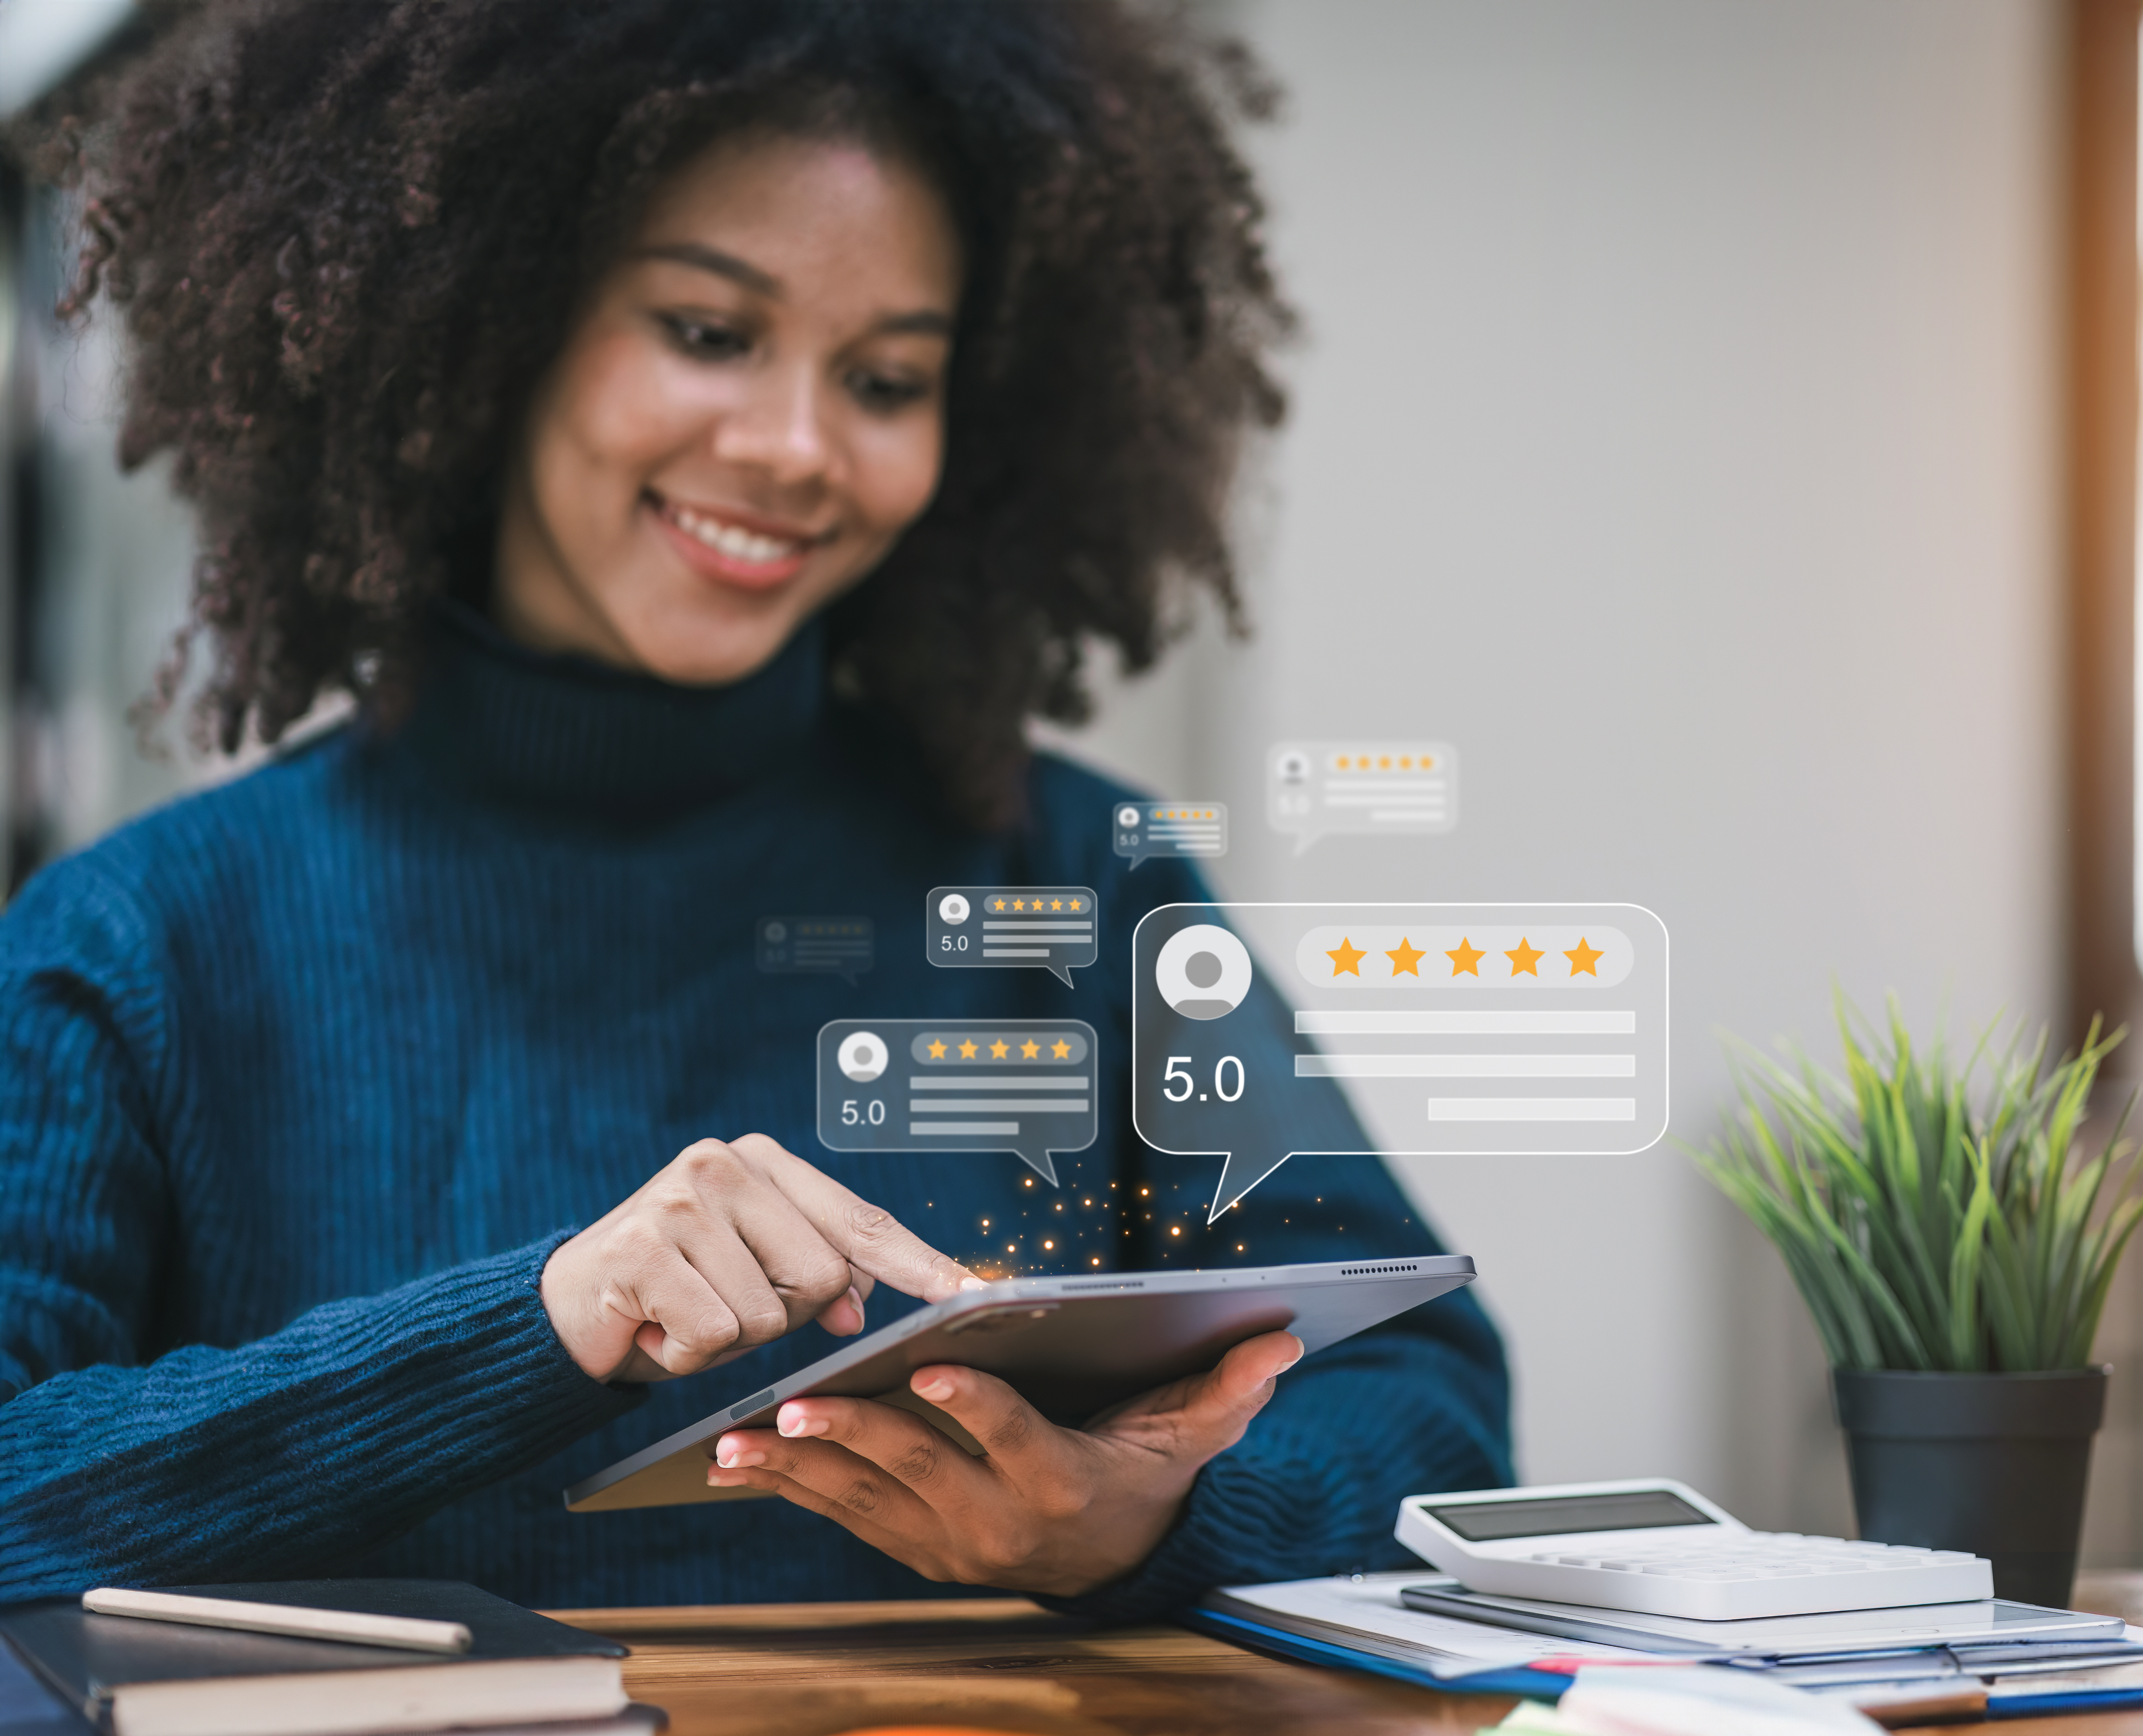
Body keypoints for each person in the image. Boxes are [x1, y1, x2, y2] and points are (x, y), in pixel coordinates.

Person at [0, 0, 1509, 1614]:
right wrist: (540, 1323)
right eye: (708, 333)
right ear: (487, 317)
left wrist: (1140, 1521)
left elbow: (1435, 1411)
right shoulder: (144, 941)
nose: (796, 446)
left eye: (884, 376)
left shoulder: (1072, 880)